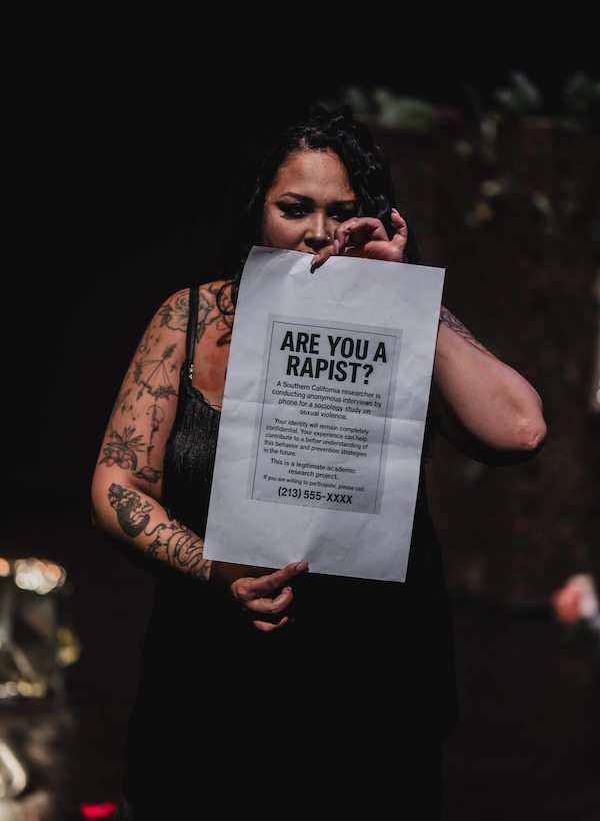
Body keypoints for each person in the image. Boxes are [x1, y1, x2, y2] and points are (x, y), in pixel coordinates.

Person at [91, 105, 546, 819]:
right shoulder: (193, 318)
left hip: (371, 684)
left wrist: (405, 294)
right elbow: (120, 482)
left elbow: (520, 430)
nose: (316, 231)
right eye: (294, 208)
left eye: (342, 210)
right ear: (257, 211)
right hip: (215, 683)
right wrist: (214, 566)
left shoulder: (404, 319)